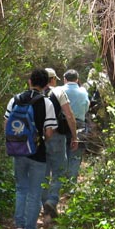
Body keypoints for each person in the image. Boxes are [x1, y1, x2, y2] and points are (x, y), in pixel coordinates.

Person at [4, 68, 57, 229]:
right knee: (34, 193)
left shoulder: (15, 99)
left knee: (21, 188)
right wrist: (39, 139)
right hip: (37, 153)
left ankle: (19, 226)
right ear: (46, 84)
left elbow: (6, 124)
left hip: (18, 150)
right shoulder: (46, 103)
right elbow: (49, 131)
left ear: (29, 81)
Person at [41, 67, 77, 219]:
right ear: (53, 79)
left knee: (43, 174)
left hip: (40, 138)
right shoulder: (58, 92)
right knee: (59, 171)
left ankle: (46, 207)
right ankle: (52, 200)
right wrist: (74, 136)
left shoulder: (35, 94)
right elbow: (69, 115)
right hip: (57, 137)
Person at [60, 69, 90, 185]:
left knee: (62, 152)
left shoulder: (60, 90)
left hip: (62, 125)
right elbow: (86, 107)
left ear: (64, 79)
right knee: (76, 154)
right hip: (80, 125)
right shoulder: (83, 91)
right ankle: (71, 184)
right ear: (77, 79)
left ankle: (61, 182)